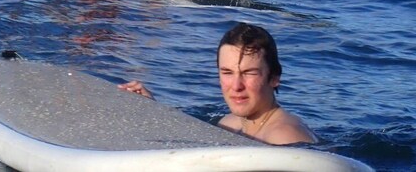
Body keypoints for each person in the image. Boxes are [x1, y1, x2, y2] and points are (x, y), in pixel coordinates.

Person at [119, 22, 318, 146]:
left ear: (274, 77)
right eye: (227, 73)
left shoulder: (285, 137)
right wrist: (155, 111)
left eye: (249, 73)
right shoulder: (229, 122)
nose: (236, 85)